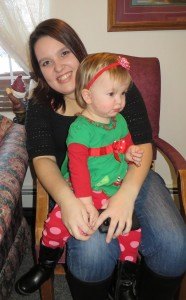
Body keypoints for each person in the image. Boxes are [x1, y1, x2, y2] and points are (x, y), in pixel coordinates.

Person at [11, 18, 185, 300]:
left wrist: (126, 196)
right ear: (40, 72)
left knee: (174, 244)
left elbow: (143, 141)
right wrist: (68, 201)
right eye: (46, 62)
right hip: (78, 188)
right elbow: (42, 159)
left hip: (131, 175)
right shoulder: (39, 105)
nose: (58, 67)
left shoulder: (114, 82)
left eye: (64, 53)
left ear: (79, 51)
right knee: (92, 252)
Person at [37, 52, 144, 300]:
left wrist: (131, 153)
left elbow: (126, 143)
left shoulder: (118, 121)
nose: (119, 101)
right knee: (57, 222)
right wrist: (83, 201)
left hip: (114, 188)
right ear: (88, 96)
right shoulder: (80, 128)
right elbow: (77, 167)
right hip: (84, 188)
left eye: (123, 94)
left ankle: (125, 280)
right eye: (111, 94)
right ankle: (45, 265)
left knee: (131, 228)